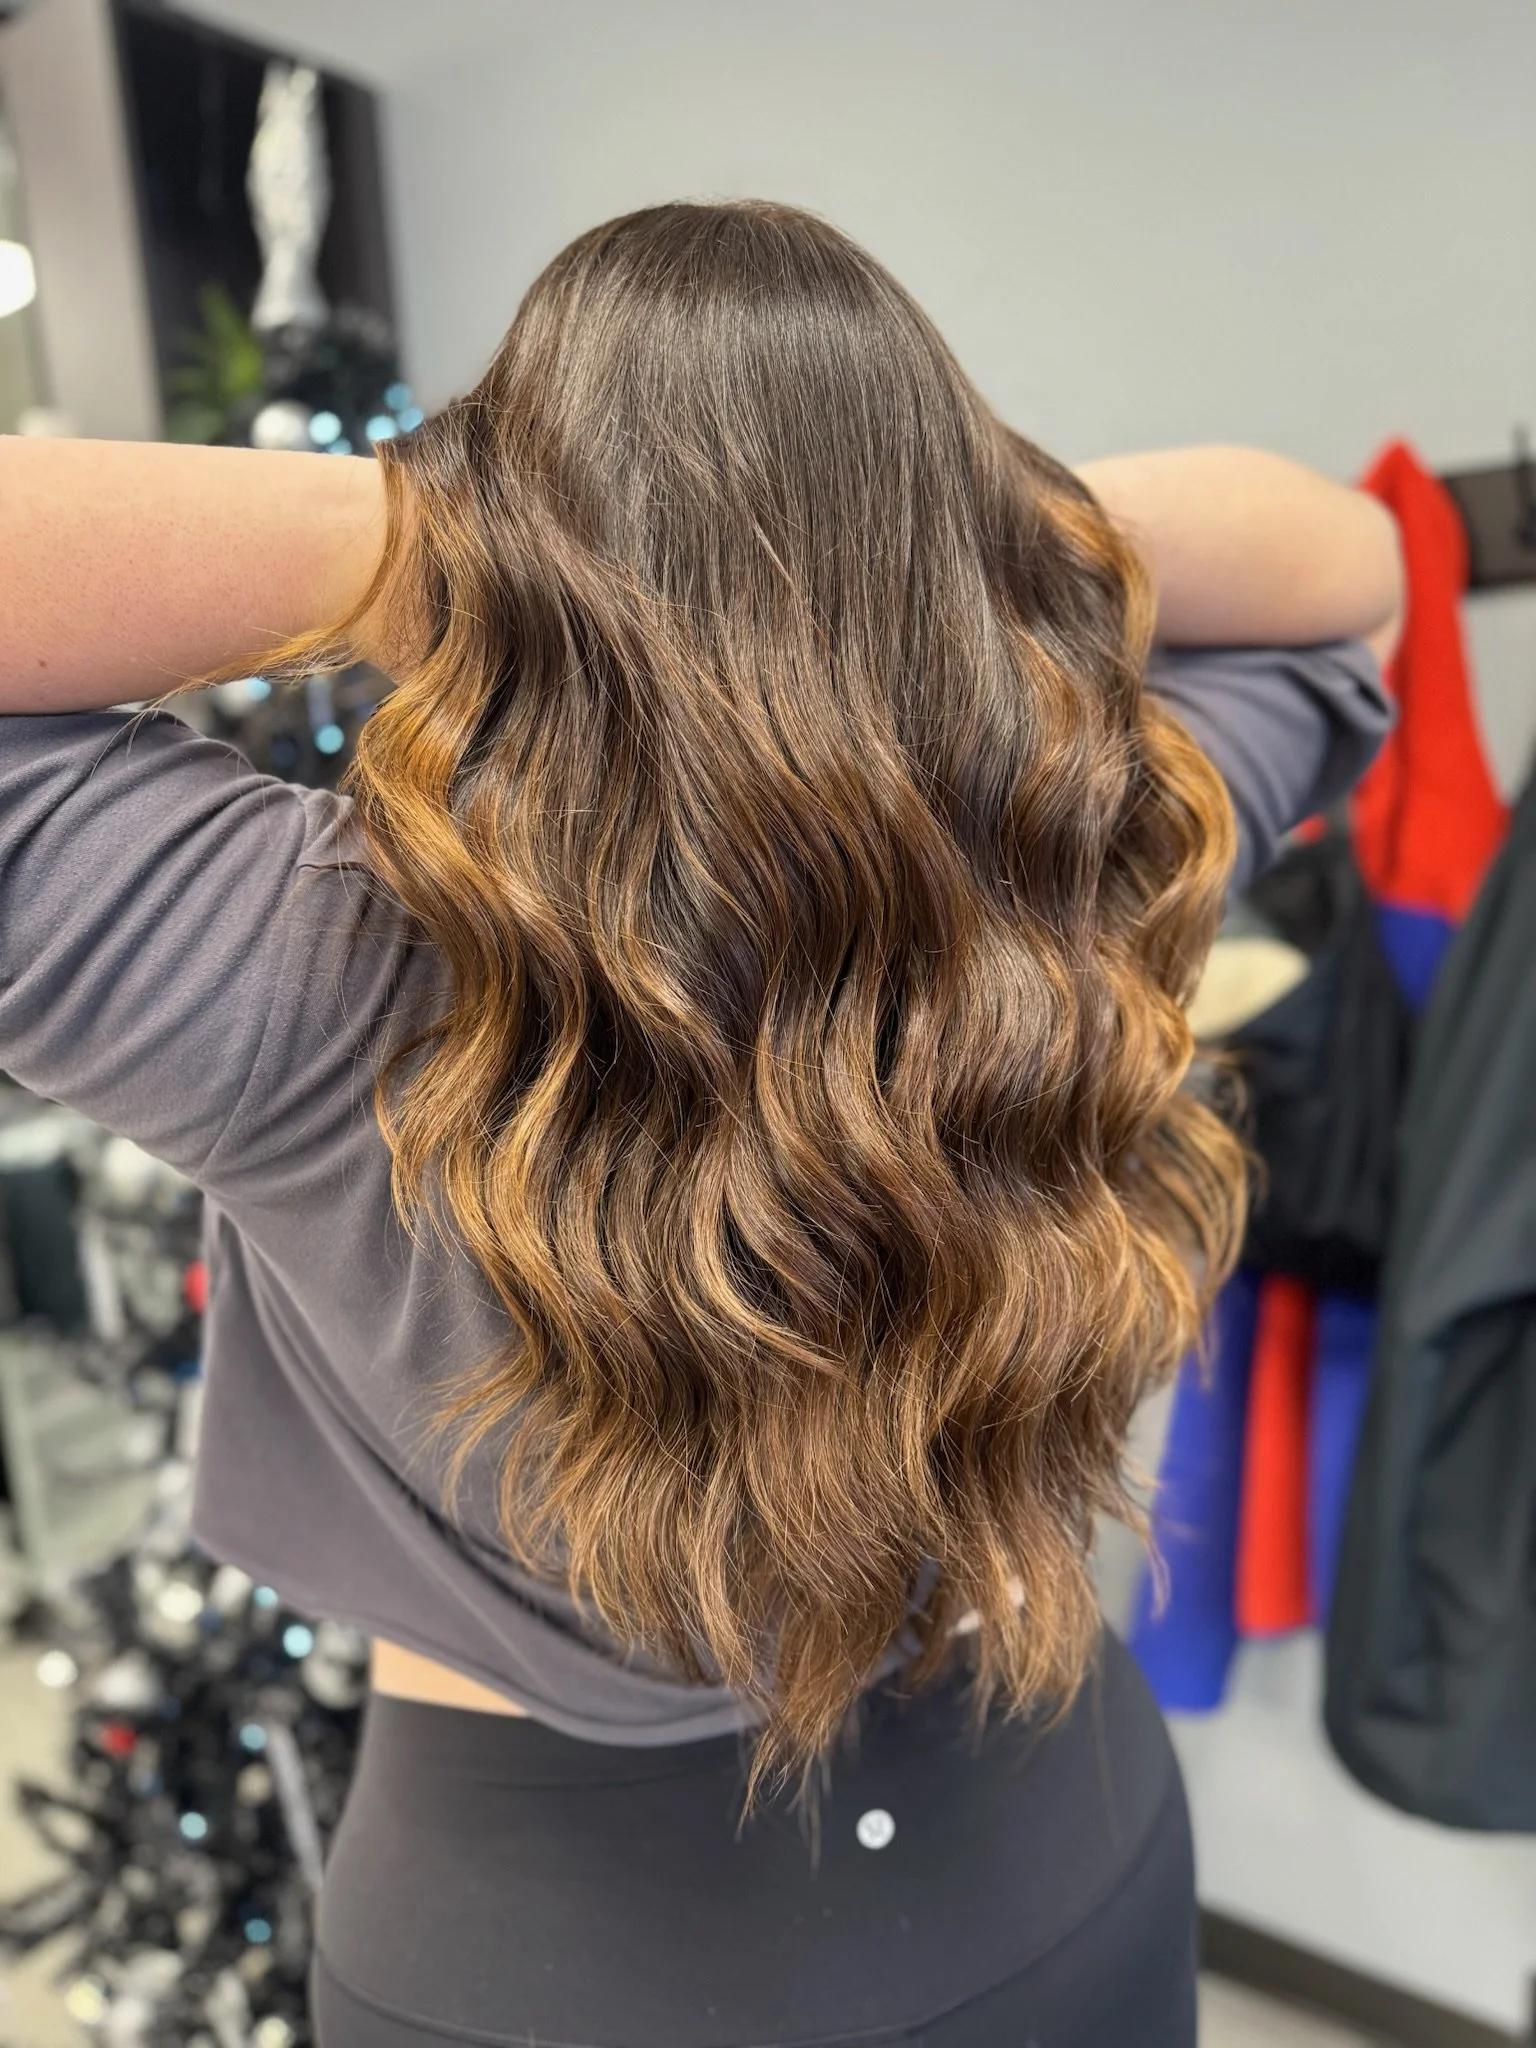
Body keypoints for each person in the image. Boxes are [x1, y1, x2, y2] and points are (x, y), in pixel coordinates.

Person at [0, 201, 1399, 2047]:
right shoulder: (1073, 885)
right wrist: (928, 546)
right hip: (1068, 1848)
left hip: (547, 1964)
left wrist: (462, 533)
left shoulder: (307, 957)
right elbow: (1350, 564)